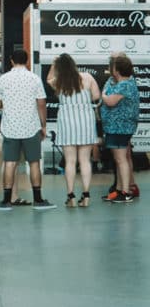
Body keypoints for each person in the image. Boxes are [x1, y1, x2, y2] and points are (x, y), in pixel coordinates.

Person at [0, 49, 55, 211]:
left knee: (10, 163)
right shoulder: (34, 79)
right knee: (33, 162)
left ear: (11, 61)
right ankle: (38, 200)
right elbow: (41, 103)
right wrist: (43, 125)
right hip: (31, 127)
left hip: (11, 128)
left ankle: (6, 200)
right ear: (27, 61)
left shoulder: (3, 79)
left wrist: (8, 102)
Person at [46, 53, 101, 207]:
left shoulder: (59, 81)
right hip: (85, 120)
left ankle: (71, 196)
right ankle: (86, 195)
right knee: (85, 160)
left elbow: (48, 79)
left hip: (67, 121)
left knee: (70, 161)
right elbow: (96, 96)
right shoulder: (88, 77)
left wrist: (53, 64)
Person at [100, 53, 140, 203]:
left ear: (117, 70)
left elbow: (110, 101)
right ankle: (119, 189)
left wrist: (104, 95)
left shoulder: (125, 85)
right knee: (118, 159)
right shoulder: (122, 83)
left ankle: (125, 191)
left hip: (120, 127)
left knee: (120, 158)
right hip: (115, 127)